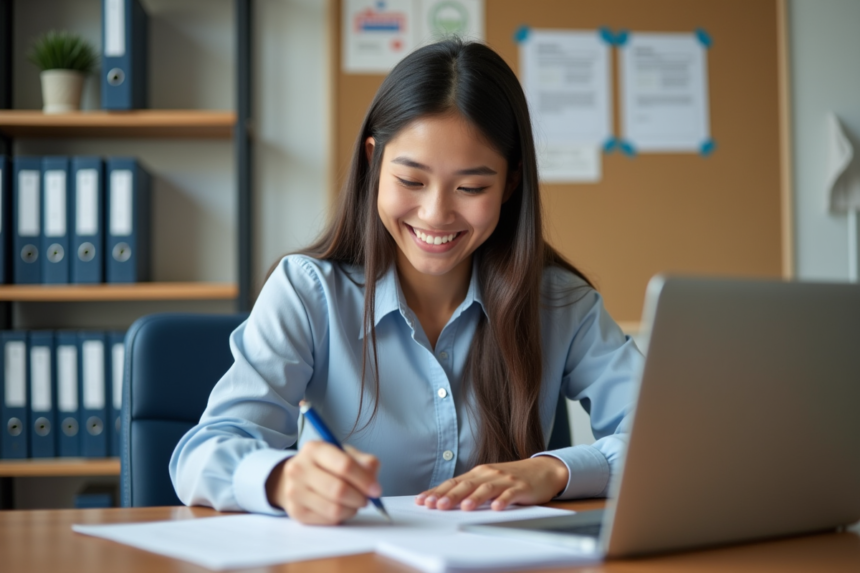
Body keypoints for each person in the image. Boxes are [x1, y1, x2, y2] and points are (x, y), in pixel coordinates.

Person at [170, 39, 642, 526]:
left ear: (511, 182)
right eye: (412, 181)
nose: (436, 213)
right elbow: (201, 456)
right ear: (374, 162)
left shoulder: (561, 304)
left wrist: (555, 471)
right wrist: (282, 480)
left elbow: (667, 441)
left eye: (472, 188)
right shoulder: (307, 292)